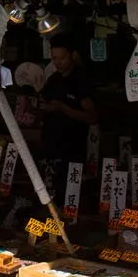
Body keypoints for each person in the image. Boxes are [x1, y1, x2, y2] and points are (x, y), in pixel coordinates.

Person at [40, 35, 97, 201]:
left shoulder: (80, 81)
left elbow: (91, 117)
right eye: (54, 58)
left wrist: (63, 108)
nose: (58, 62)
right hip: (51, 147)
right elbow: (46, 106)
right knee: (49, 195)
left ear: (73, 56)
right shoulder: (53, 80)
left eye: (62, 58)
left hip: (72, 150)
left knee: (69, 196)